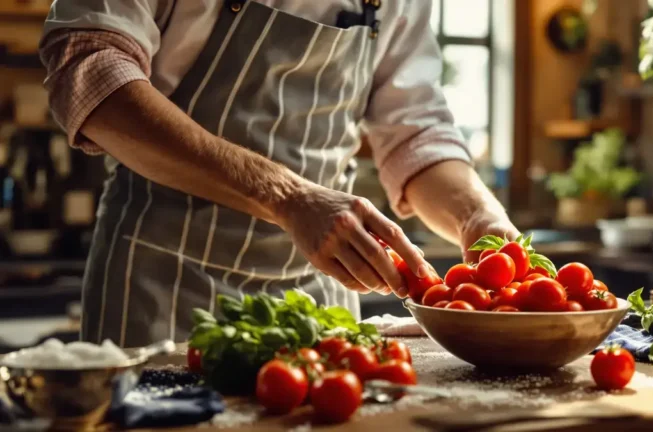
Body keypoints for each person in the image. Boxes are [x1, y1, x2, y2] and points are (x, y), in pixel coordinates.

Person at [40, 0, 520, 347]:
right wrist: (288, 197)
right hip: (163, 289)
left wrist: (479, 219)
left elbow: (415, 134)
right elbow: (89, 69)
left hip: (324, 300)